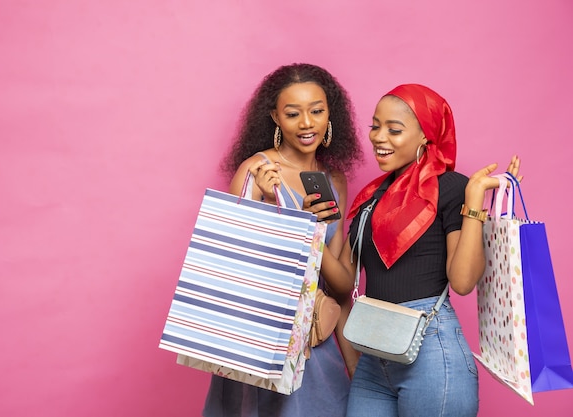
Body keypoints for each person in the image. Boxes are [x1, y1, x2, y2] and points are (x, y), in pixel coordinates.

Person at [319, 84, 522, 417]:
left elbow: (462, 281)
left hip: (431, 349)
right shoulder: (371, 199)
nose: (378, 137)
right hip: (374, 350)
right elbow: (342, 283)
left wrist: (474, 201)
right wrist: (311, 231)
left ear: (425, 137)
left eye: (394, 130)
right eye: (375, 126)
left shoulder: (451, 187)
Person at [202, 63, 363, 417]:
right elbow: (235, 263)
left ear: (329, 114)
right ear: (275, 116)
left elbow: (341, 285)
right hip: (264, 340)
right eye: (293, 113)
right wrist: (285, 216)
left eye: (317, 111)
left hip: (316, 338)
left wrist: (311, 233)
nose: (307, 123)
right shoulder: (258, 172)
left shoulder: (334, 180)